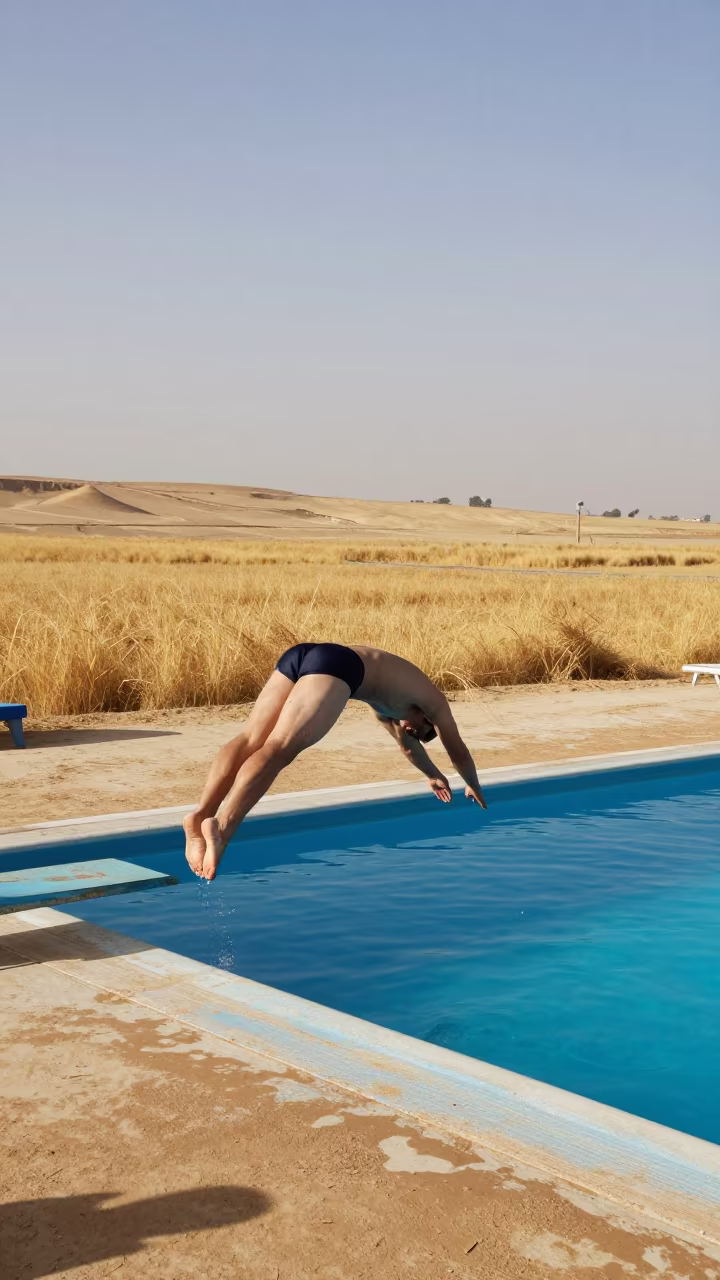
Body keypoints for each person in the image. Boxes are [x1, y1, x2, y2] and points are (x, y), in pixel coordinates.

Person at [184, 642, 487, 880]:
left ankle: (200, 814)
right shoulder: (434, 701)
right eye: (420, 730)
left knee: (251, 738)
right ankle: (221, 830)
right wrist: (473, 784)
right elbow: (457, 749)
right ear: (426, 716)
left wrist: (432, 773)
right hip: (339, 667)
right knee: (279, 748)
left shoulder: (390, 709)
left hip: (304, 654)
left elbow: (408, 748)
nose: (411, 731)